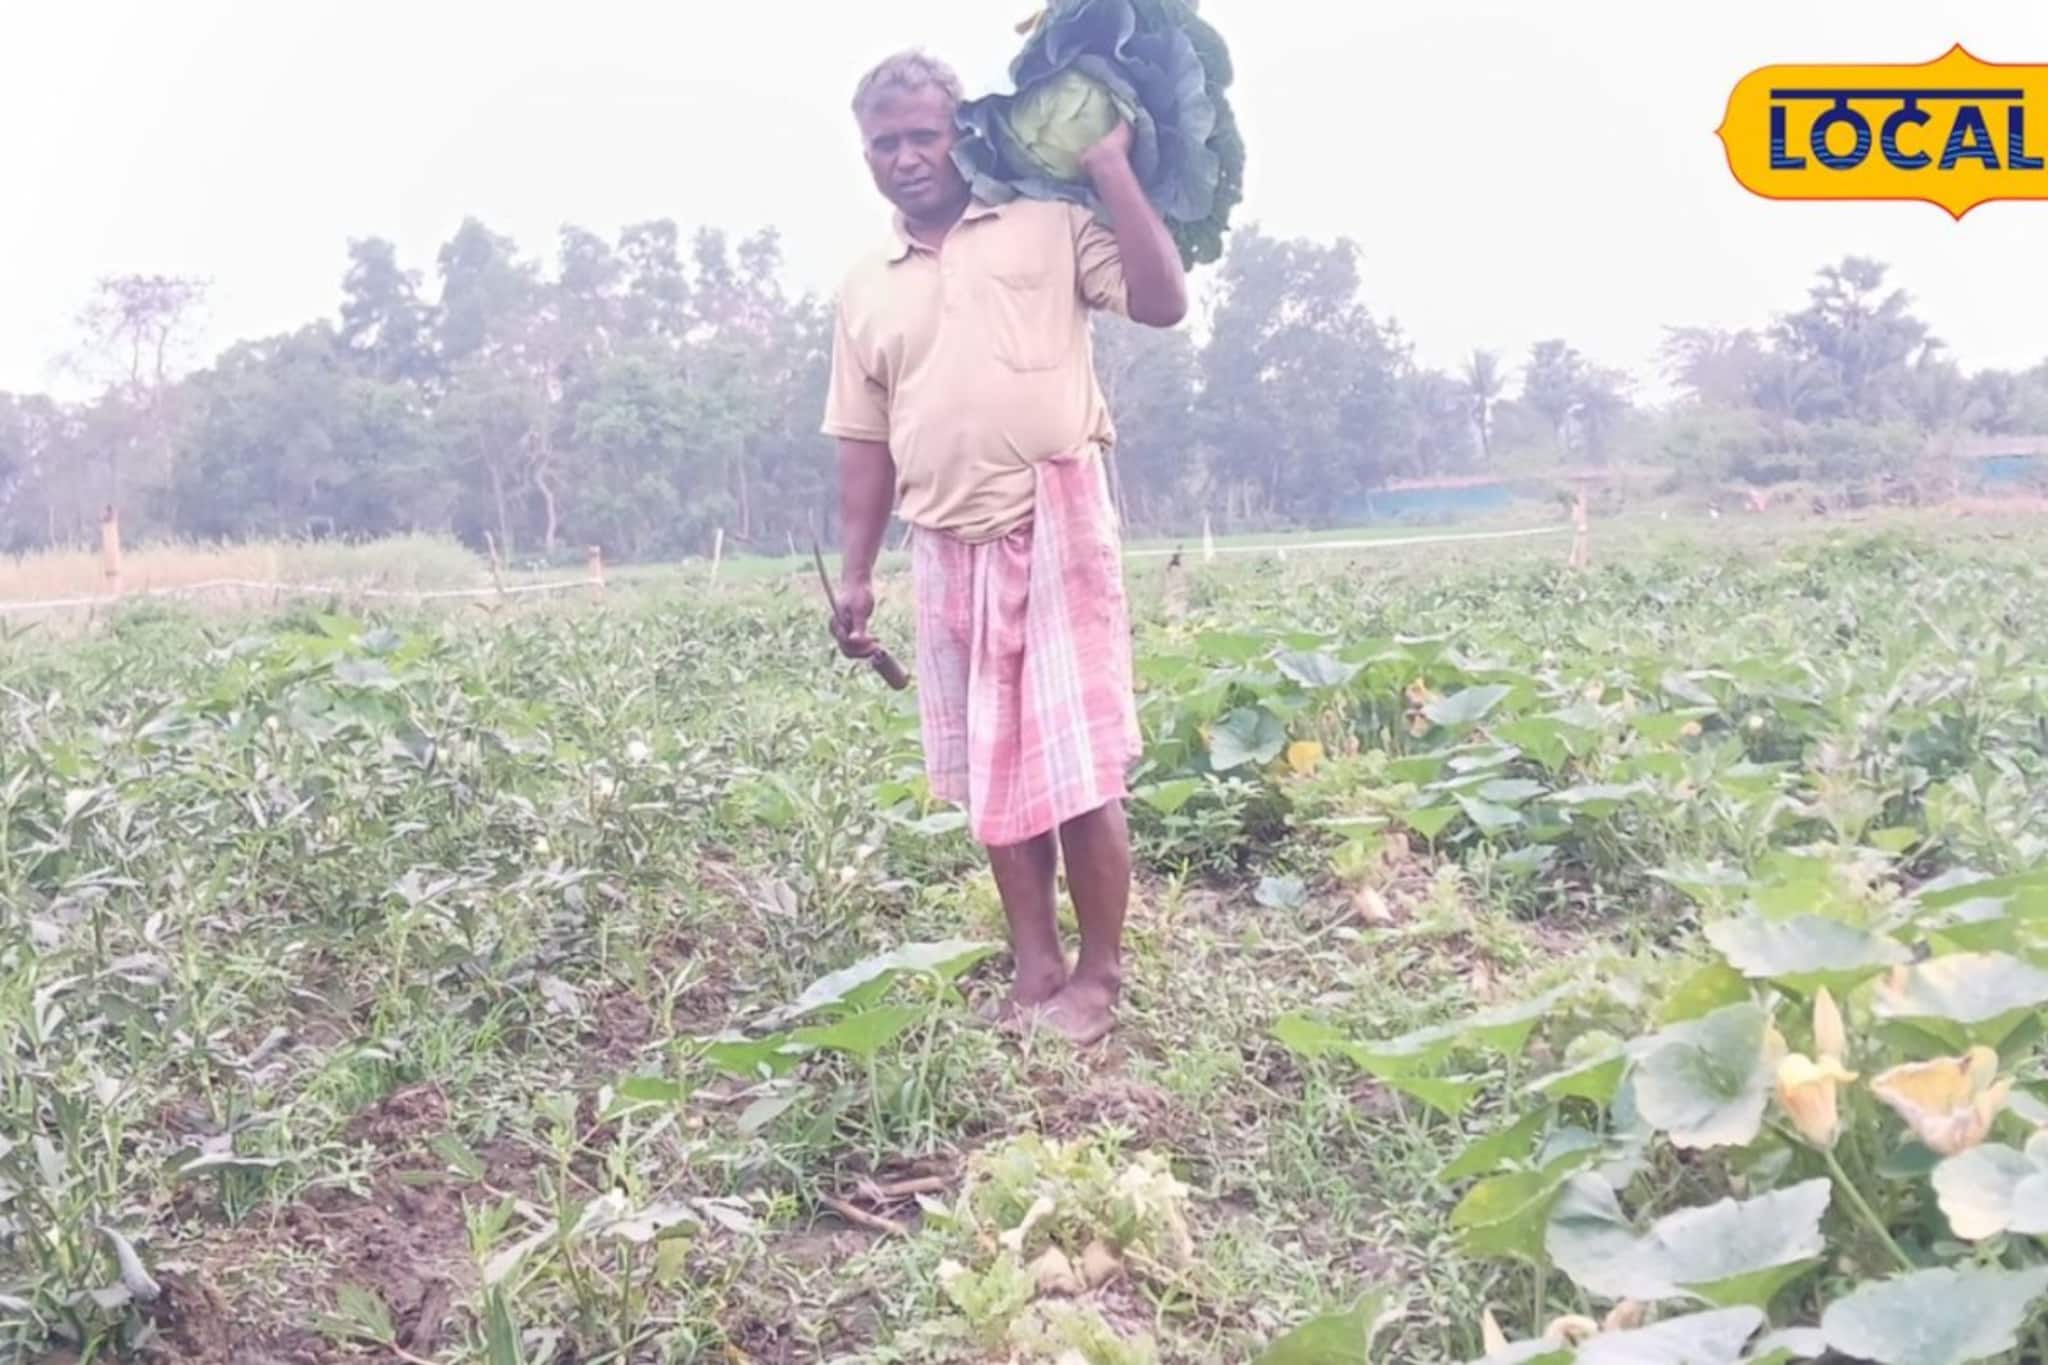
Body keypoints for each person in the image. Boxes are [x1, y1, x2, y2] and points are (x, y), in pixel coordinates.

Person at [821, 50, 1188, 1045]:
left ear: (960, 133)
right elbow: (863, 443)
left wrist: (1109, 168)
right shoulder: (866, 287)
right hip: (942, 538)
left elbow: (1161, 302)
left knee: (1077, 759)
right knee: (995, 768)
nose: (904, 158)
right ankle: (1035, 969)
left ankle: (1100, 978)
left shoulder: (1045, 221)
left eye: (921, 136)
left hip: (1055, 514)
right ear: (866, 155)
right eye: (883, 144)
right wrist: (854, 575)